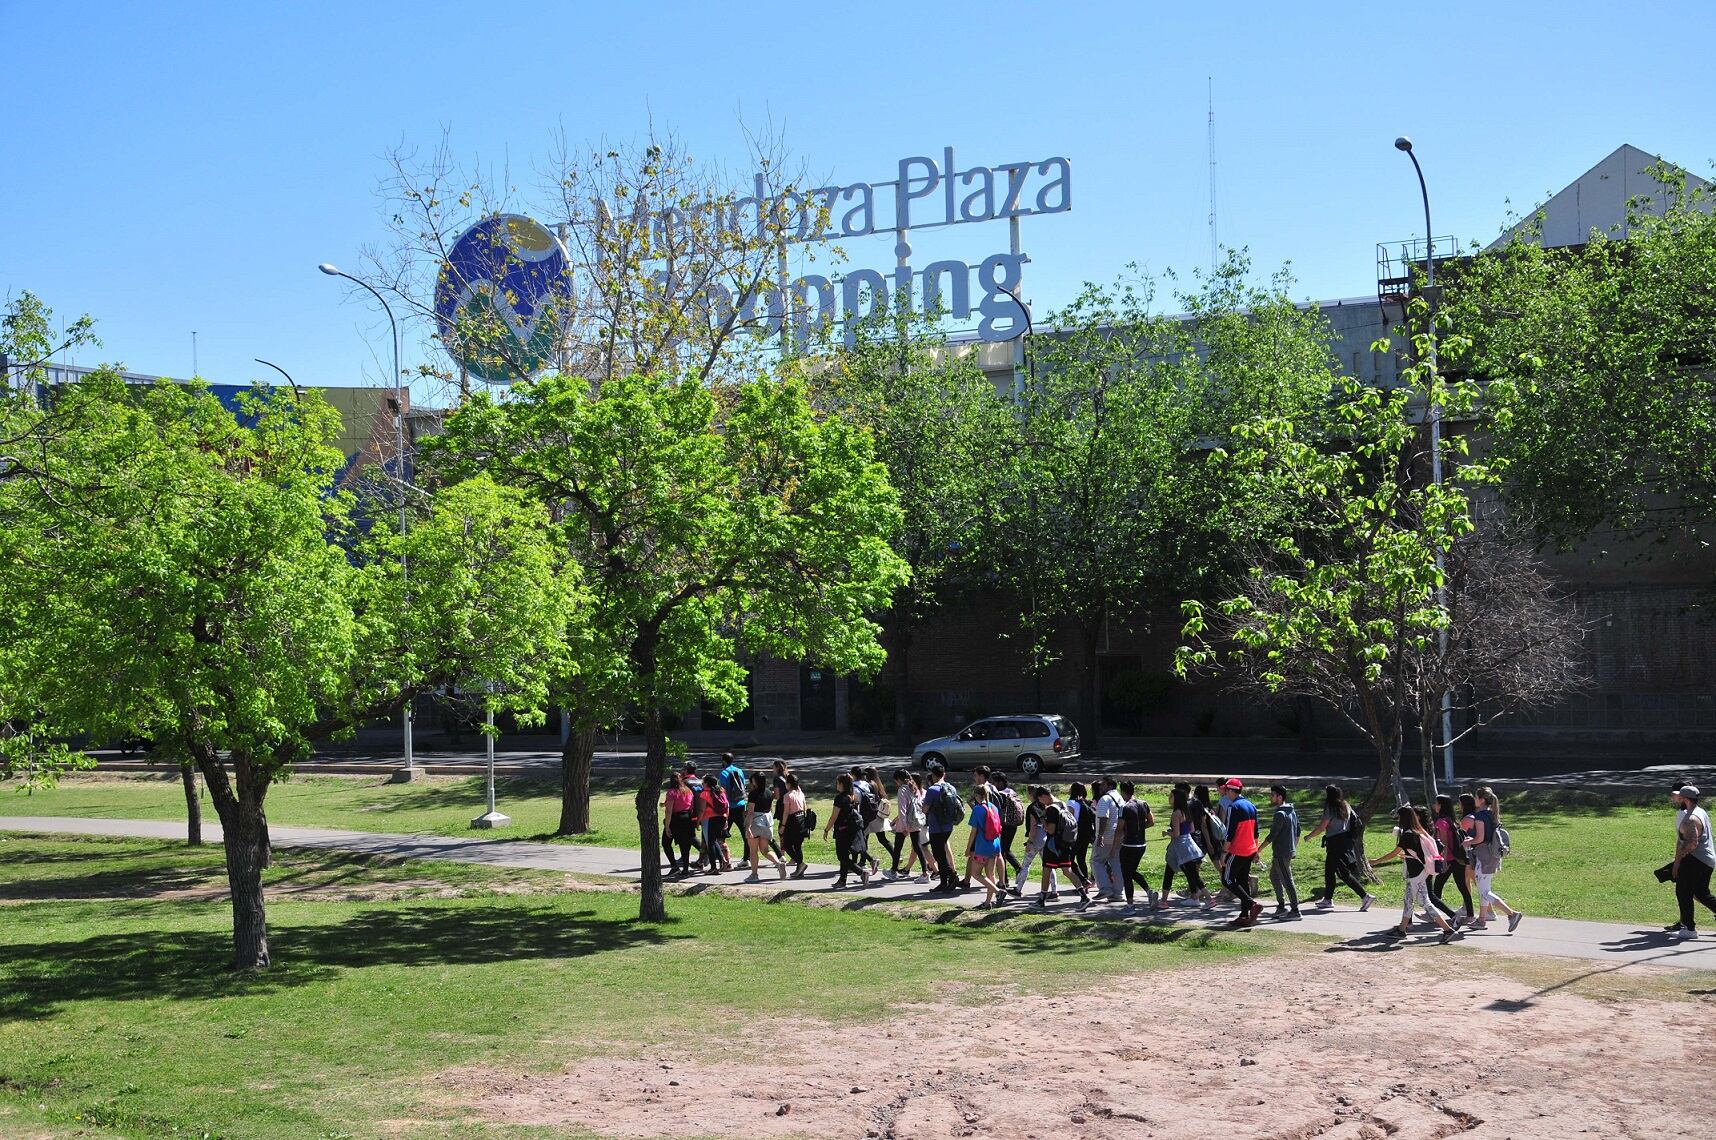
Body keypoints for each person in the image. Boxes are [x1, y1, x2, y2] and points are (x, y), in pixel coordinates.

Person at [1371, 805, 1462, 943]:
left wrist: (1376, 861)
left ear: (1404, 818)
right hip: (1420, 871)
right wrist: (1407, 855)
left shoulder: (1408, 834)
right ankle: (1402, 930)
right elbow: (1415, 852)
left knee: (1424, 902)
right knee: (1409, 900)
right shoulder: (1418, 831)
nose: (1398, 820)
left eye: (1399, 817)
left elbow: (1393, 854)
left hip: (1417, 873)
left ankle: (1447, 930)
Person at [1304, 784, 1374, 911]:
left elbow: (1322, 827)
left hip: (1335, 843)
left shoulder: (1330, 807)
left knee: (1343, 873)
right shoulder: (1345, 804)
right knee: (1329, 871)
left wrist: (1309, 836)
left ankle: (1365, 896)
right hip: (1345, 841)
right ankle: (1328, 899)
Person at [1461, 791, 1521, 932]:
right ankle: (1481, 920)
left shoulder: (1480, 815)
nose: (1474, 800)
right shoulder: (1491, 814)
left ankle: (1512, 914)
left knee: (1485, 891)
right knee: (1484, 889)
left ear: (1481, 800)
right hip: (1491, 855)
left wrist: (1468, 841)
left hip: (1483, 856)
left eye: (1476, 797)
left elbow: (1480, 838)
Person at [1034, 787, 1093, 909]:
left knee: (1046, 871)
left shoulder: (1051, 809)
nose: (1041, 803)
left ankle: (1041, 900)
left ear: (1043, 796)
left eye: (1040, 800)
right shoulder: (1062, 804)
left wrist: (1042, 821)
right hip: (1065, 843)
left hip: (1053, 845)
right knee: (1067, 870)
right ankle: (1084, 896)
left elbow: (1051, 829)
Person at [1670, 784, 1716, 940]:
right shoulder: (1700, 812)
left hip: (1696, 860)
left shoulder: (1689, 819)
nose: (1677, 798)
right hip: (1708, 859)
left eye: (1679, 796)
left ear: (1684, 799)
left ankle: (1689, 929)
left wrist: (1677, 862)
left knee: (1683, 891)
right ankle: (1688, 926)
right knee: (1701, 893)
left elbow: (1691, 844)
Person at [1217, 778, 1264, 927]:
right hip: (1250, 849)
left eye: (1226, 791)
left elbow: (1230, 832)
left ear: (1231, 791)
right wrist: (1256, 850)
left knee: (1227, 879)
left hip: (1238, 850)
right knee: (1242, 882)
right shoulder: (1251, 805)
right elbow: (1256, 832)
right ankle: (1244, 916)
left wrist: (1224, 852)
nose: (1225, 793)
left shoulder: (1233, 807)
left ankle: (1252, 904)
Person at [1158, 786, 1207, 908]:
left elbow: (1176, 834)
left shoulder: (1176, 813)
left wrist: (1166, 833)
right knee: (1191, 873)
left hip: (1179, 847)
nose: (1169, 798)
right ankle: (1197, 897)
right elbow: (1192, 829)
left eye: (1171, 796)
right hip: (1189, 845)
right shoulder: (1186, 811)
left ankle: (1164, 901)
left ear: (1176, 799)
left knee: (1173, 872)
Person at [1257, 785, 1300, 920]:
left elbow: (1272, 836)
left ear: (1280, 797)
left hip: (1282, 853)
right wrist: (1293, 847)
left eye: (1273, 795)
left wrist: (1258, 850)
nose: (1271, 797)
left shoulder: (1280, 814)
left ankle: (1295, 911)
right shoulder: (1291, 810)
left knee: (1287, 880)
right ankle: (1281, 907)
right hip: (1285, 851)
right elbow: (1298, 830)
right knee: (1274, 877)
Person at [1430, 795, 1473, 923]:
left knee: (1437, 886)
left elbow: (1444, 844)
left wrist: (1443, 861)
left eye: (1436, 803)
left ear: (1441, 805)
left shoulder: (1441, 822)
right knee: (1462, 887)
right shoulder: (1451, 820)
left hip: (1449, 860)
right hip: (1458, 859)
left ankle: (1434, 914)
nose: (1434, 806)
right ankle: (1470, 915)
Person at [922, 763, 964, 893]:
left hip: (936, 827)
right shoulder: (951, 788)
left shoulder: (932, 790)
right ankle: (943, 883)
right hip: (948, 826)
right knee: (941, 853)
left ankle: (952, 876)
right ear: (944, 774)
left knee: (939, 855)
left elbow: (925, 809)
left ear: (934, 775)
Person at [1012, 785, 1059, 899]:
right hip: (1045, 837)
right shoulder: (1045, 805)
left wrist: (1030, 842)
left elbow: (1033, 826)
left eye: (1027, 793)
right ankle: (1054, 891)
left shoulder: (1032, 808)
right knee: (1049, 865)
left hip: (1036, 838)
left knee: (1026, 865)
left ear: (1031, 794)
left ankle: (1018, 890)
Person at [823, 773, 870, 889]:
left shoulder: (839, 798)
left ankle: (861, 872)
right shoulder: (853, 796)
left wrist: (826, 829)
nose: (836, 785)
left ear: (841, 784)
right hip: (852, 829)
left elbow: (834, 816)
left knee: (842, 857)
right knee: (844, 855)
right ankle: (842, 880)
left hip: (842, 830)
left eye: (837, 783)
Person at [1116, 781, 1157, 911]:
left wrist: (1115, 846)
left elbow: (1119, 829)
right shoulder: (1143, 804)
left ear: (1122, 792)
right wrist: (1139, 829)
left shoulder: (1124, 807)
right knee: (1131, 871)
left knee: (1127, 875)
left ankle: (1130, 905)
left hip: (1128, 845)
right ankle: (1149, 891)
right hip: (1141, 844)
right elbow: (1151, 822)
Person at [741, 772, 787, 881]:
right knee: (765, 850)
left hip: (755, 822)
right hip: (767, 822)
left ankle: (754, 875)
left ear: (755, 781)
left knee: (753, 851)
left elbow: (751, 812)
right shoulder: (769, 793)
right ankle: (778, 863)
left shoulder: (753, 794)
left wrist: (747, 827)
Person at [966, 783, 1005, 907]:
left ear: (977, 795)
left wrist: (968, 849)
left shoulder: (977, 809)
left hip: (983, 846)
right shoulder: (993, 807)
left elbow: (973, 832)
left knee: (975, 873)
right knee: (991, 875)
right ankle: (988, 903)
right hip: (995, 844)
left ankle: (998, 892)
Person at [891, 768, 931, 882]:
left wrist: (903, 827)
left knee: (898, 847)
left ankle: (893, 871)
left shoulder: (902, 790)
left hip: (905, 824)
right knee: (918, 847)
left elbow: (902, 810)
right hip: (916, 821)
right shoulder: (914, 788)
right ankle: (925, 873)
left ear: (898, 779)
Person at [1092, 778, 1126, 902]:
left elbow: (1103, 818)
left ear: (1109, 785)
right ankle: (1117, 893)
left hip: (1106, 836)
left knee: (1097, 861)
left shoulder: (1105, 799)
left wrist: (1100, 835)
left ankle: (1105, 889)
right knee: (1116, 862)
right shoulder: (1120, 798)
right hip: (1118, 836)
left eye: (1103, 784)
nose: (1100, 787)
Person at [662, 771, 697, 876]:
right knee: (685, 845)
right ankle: (685, 869)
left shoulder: (671, 792)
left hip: (676, 819)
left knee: (666, 842)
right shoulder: (688, 791)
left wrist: (667, 826)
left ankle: (674, 866)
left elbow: (669, 810)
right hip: (687, 818)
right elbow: (691, 806)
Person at [991, 772, 1026, 878]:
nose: (993, 784)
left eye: (994, 782)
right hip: (1013, 824)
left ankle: (1004, 878)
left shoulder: (1000, 794)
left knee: (1001, 851)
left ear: (1000, 782)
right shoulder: (1012, 792)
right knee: (1006, 849)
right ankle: (1018, 868)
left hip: (1004, 824)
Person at [699, 775, 732, 874]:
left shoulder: (705, 793)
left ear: (707, 783)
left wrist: (698, 821)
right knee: (714, 841)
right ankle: (723, 862)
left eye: (703, 782)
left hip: (710, 819)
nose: (702, 784)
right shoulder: (721, 791)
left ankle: (713, 867)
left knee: (710, 843)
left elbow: (702, 809)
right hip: (722, 818)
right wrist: (726, 819)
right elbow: (727, 806)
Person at [779, 773, 809, 879]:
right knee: (798, 846)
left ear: (789, 784)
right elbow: (805, 807)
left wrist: (782, 825)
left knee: (787, 845)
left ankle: (800, 864)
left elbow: (786, 812)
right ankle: (799, 870)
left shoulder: (787, 796)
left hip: (792, 822)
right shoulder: (800, 794)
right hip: (801, 820)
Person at [1068, 783, 1096, 881]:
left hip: (1076, 835)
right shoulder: (1085, 802)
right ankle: (1085, 882)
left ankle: (1083, 881)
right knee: (1081, 859)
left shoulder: (1071, 803)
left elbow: (1070, 820)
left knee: (1069, 859)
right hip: (1086, 834)